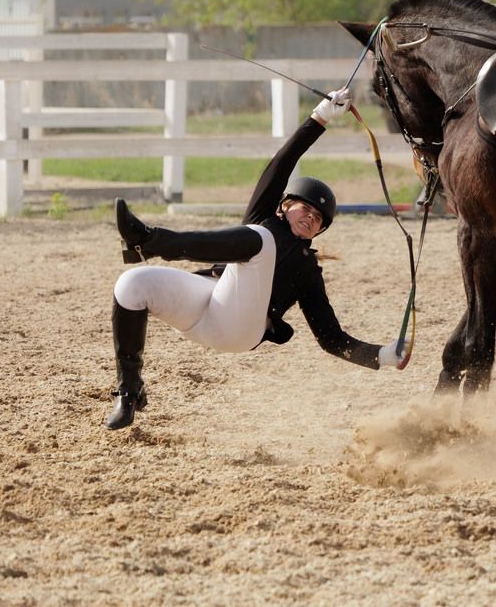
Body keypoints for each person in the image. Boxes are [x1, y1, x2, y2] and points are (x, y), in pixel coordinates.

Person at [104, 88, 407, 430]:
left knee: (260, 240)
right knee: (131, 284)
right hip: (204, 299)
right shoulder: (264, 216)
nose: (310, 218)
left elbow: (331, 338)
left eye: (318, 219)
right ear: (284, 205)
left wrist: (382, 356)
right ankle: (129, 392)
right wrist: (320, 116)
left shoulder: (308, 270)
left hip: (238, 329)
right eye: (304, 208)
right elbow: (283, 162)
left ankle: (150, 241)